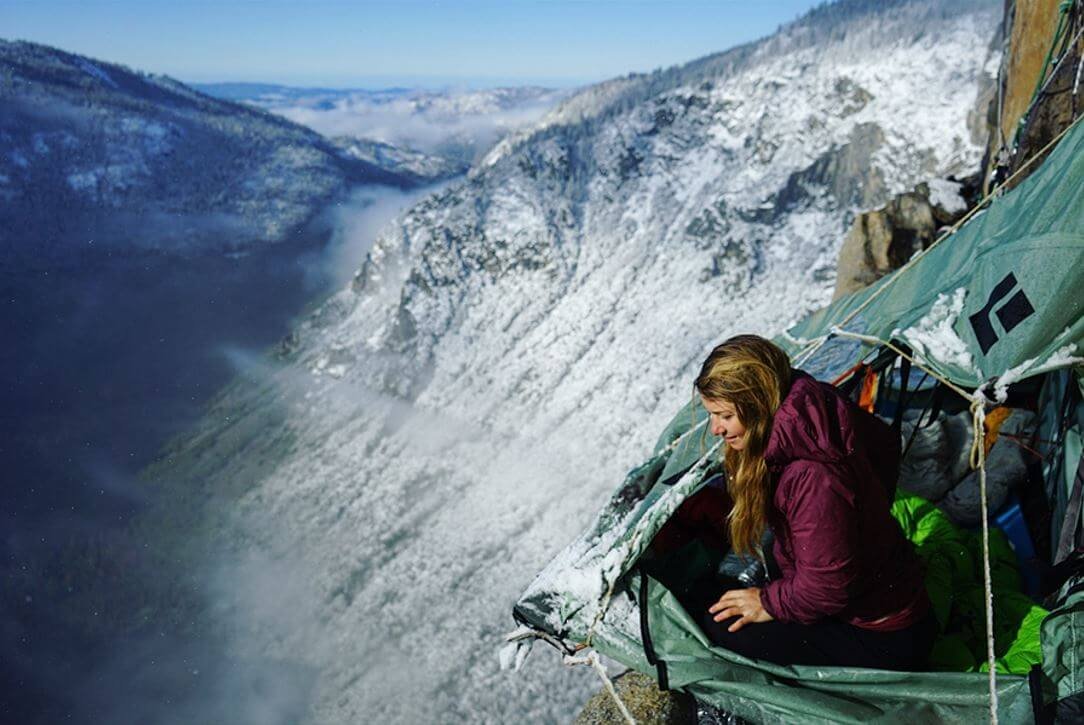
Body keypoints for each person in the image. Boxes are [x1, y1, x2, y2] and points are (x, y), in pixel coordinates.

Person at [679, 334, 936, 671]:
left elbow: (827, 589)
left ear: (757, 403)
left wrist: (768, 603)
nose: (716, 429)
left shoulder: (812, 478)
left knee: (719, 630)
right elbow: (885, 448)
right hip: (893, 593)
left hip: (884, 636)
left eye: (724, 416)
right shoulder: (815, 406)